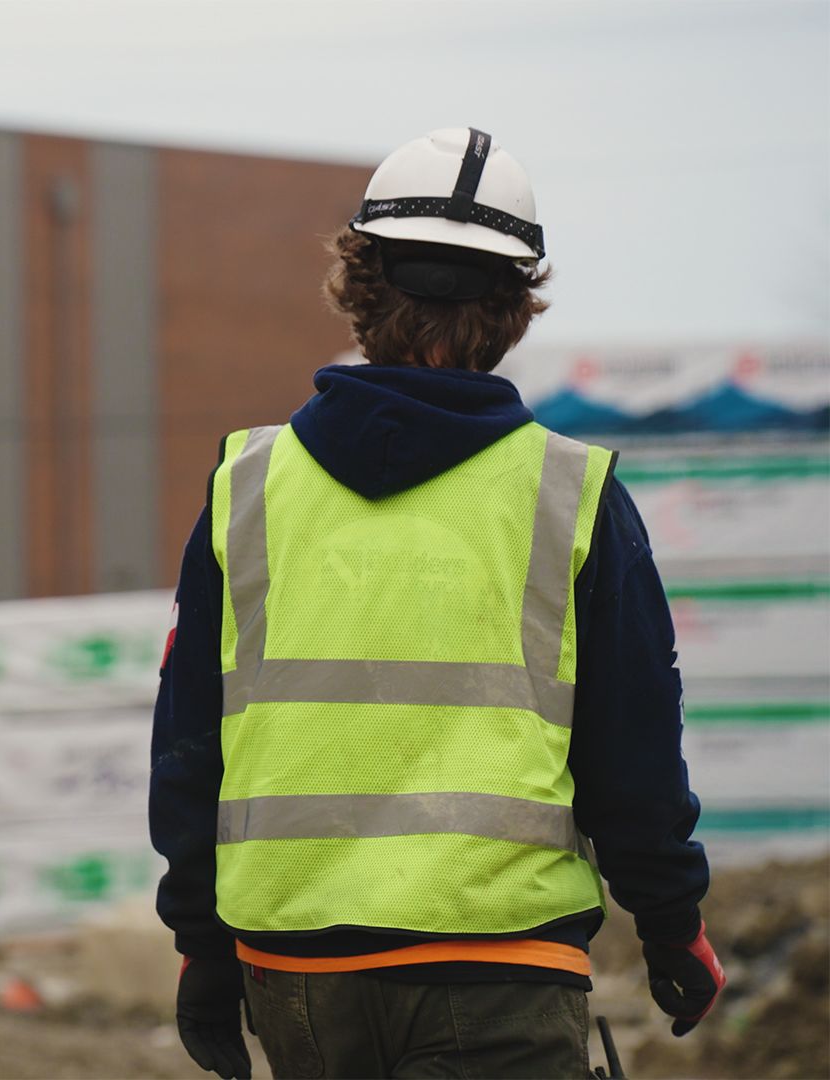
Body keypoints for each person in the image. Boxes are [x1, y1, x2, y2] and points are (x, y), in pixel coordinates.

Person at [150, 128, 724, 1079]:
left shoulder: (247, 486)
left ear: (361, 286)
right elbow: (633, 750)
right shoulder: (571, 495)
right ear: (513, 307)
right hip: (499, 966)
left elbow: (188, 741)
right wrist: (670, 923)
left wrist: (200, 940)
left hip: (294, 978)